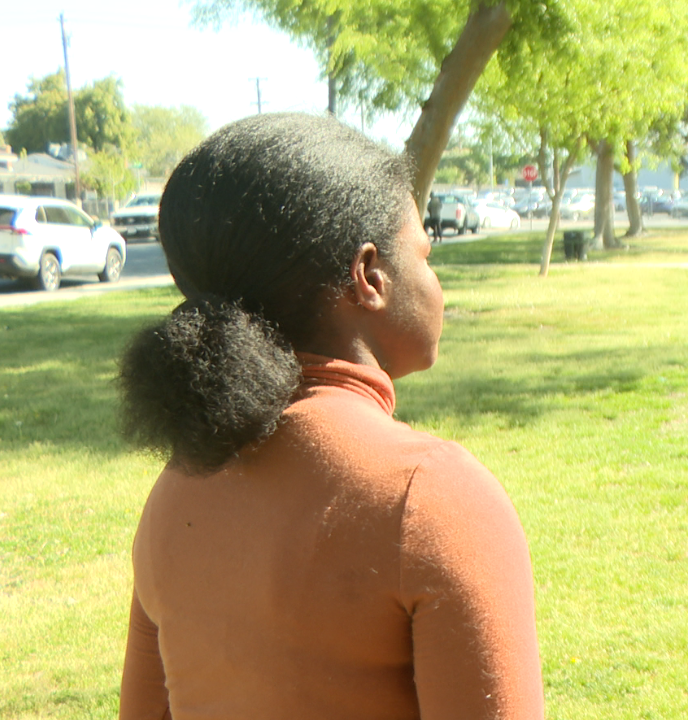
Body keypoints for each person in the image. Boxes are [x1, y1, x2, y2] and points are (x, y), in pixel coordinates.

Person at [116, 113, 543, 720]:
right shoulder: (431, 498)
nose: (434, 279)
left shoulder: (178, 489)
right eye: (425, 253)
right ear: (369, 276)